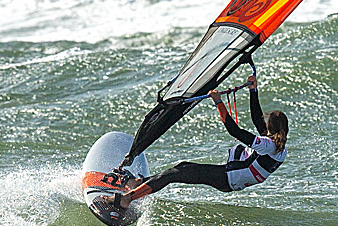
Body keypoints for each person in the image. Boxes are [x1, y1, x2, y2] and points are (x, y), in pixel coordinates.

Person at [106, 74, 288, 211]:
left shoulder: (268, 145)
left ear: (270, 128)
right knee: (181, 168)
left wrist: (219, 102)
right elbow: (257, 119)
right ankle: (140, 183)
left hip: (227, 177)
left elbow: (235, 131)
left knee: (175, 173)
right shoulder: (279, 147)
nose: (262, 125)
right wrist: (252, 90)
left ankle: (127, 199)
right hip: (231, 179)